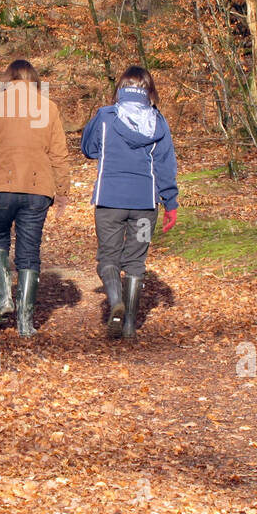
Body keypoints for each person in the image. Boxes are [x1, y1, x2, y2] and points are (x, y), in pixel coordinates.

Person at [0, 60, 70, 338]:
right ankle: (25, 323)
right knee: (29, 252)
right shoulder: (49, 107)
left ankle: (5, 298)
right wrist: (63, 191)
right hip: (37, 188)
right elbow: (59, 154)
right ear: (34, 80)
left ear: (10, 78)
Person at [81, 66, 178, 339]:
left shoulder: (105, 117)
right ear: (149, 90)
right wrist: (170, 203)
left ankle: (116, 303)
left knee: (108, 257)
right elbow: (165, 165)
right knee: (136, 261)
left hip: (109, 201)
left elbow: (88, 149)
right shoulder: (158, 122)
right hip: (147, 206)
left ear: (121, 88)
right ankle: (130, 327)